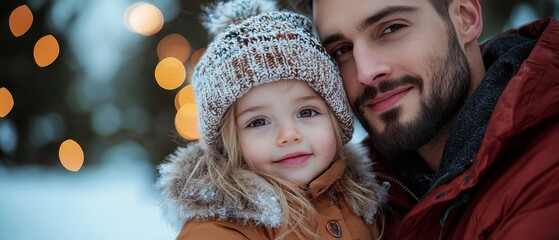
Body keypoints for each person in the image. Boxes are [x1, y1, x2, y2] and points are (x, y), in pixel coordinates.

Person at [289, 0, 559, 239]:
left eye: (392, 28)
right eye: (341, 50)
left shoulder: (546, 167)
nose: (366, 72)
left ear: (465, 19)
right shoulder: (355, 199)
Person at [156, 0, 387, 239]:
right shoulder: (222, 225)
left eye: (306, 112)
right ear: (227, 141)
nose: (289, 135)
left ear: (336, 120)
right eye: (258, 122)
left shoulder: (371, 198)